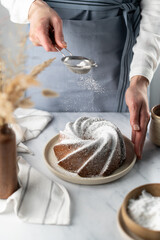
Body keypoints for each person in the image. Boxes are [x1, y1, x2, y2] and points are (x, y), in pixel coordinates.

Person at [1, 0, 160, 160]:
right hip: (44, 37)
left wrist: (140, 80)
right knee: (39, 148)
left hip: (115, 47)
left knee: (112, 146)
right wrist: (31, 7)